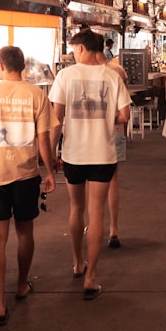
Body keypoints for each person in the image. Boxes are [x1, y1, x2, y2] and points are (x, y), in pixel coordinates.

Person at [0, 45, 57, 325]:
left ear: (3, 65)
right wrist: (50, 171)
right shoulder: (36, 94)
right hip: (25, 174)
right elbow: (44, 140)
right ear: (22, 66)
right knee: (25, 231)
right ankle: (21, 284)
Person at [49, 29, 131, 301]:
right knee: (96, 215)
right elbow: (124, 115)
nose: (73, 53)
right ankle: (91, 277)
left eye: (74, 49)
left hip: (74, 154)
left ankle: (77, 262)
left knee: (76, 208)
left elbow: (56, 119)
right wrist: (106, 122)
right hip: (103, 154)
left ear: (82, 48)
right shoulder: (113, 75)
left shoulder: (65, 76)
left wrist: (50, 153)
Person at [95, 42, 127, 250]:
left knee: (89, 186)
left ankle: (94, 227)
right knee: (112, 181)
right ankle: (113, 229)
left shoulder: (80, 73)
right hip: (115, 132)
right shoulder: (118, 71)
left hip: (88, 137)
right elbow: (124, 111)